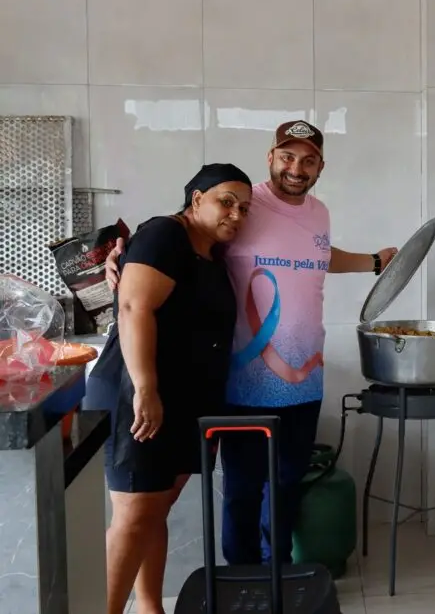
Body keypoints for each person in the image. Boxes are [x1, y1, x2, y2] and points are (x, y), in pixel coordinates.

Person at [104, 120, 398, 569]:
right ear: (271, 158)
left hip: (306, 377)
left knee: (285, 482)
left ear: (321, 166)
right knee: (242, 487)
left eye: (308, 159)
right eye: (287, 156)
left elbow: (320, 254)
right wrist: (121, 255)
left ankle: (275, 571)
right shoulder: (243, 202)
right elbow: (180, 230)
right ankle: (241, 576)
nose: (296, 168)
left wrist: (373, 262)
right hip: (241, 380)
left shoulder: (318, 212)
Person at [88, 163, 253, 614]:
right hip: (138, 392)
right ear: (196, 199)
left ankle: (149, 608)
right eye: (226, 201)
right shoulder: (165, 234)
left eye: (244, 207)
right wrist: (145, 388)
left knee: (154, 509)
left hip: (181, 399)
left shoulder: (209, 253)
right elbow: (133, 306)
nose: (236, 214)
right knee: (135, 515)